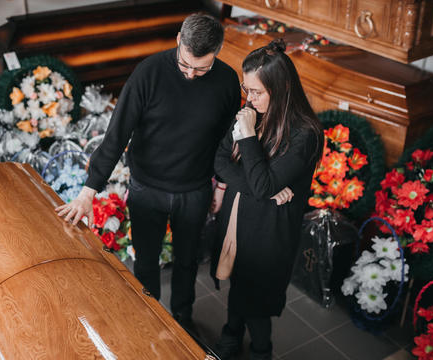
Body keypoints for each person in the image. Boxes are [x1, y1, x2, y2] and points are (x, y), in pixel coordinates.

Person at [55, 13, 241, 329]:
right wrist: (88, 192)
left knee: (187, 261)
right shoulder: (149, 73)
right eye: (186, 65)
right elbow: (116, 135)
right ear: (179, 41)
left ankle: (183, 318)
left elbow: (228, 141)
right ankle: (148, 317)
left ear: (217, 54)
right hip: (146, 188)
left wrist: (221, 187)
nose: (192, 75)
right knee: (145, 261)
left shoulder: (225, 81)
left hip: (195, 189)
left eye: (201, 68)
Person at [210, 38, 324, 360]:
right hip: (237, 219)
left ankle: (261, 352)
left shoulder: (305, 134)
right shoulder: (252, 111)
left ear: (282, 87)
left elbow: (260, 184)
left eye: (257, 91)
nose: (250, 98)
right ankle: (231, 336)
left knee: (256, 303)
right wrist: (266, 188)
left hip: (268, 234)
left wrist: (247, 137)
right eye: (247, 89)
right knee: (238, 287)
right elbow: (219, 161)